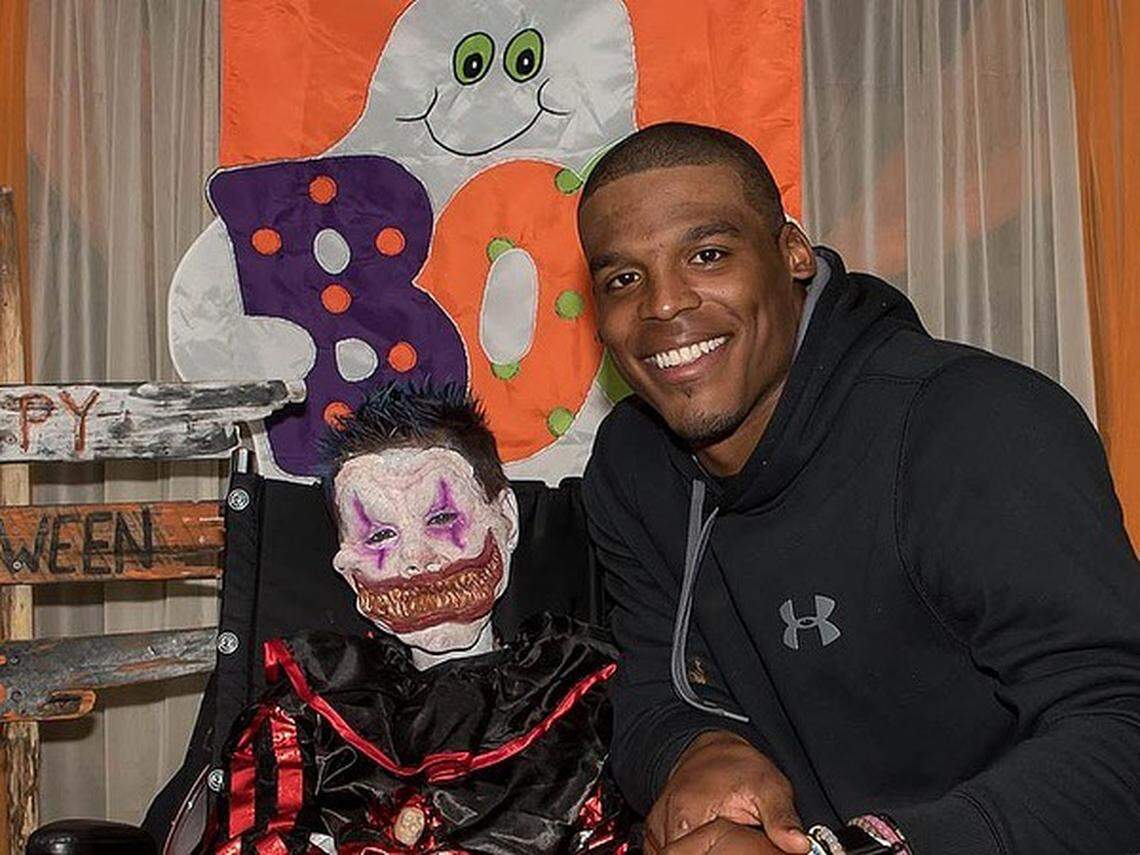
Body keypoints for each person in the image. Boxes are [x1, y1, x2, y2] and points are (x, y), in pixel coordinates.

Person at [577, 122, 1140, 855]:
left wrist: (872, 848)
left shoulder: (974, 424)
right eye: (624, 278)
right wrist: (697, 753)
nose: (662, 305)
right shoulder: (631, 465)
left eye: (708, 255)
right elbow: (650, 693)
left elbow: (1122, 728)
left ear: (793, 254)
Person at [201, 382, 630, 854]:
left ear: (504, 518)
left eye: (442, 518)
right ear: (347, 565)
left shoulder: (590, 691)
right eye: (381, 534)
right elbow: (252, 840)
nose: (416, 558)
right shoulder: (306, 710)